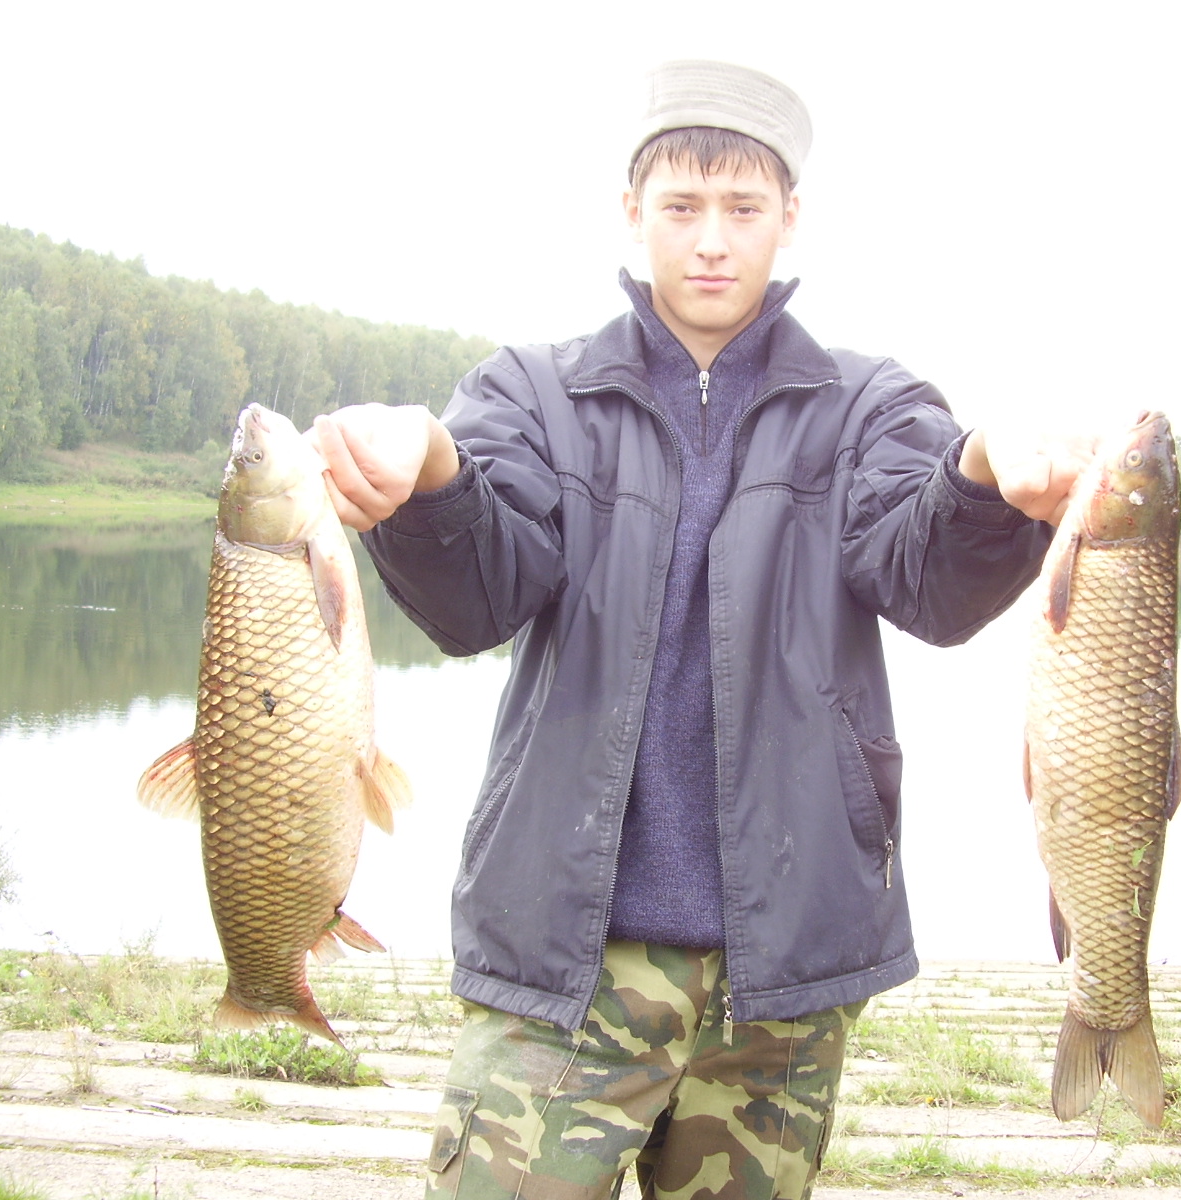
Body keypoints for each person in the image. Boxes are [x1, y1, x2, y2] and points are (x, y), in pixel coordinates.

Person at [313, 59, 1090, 1200]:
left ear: (790, 216)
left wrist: (980, 475)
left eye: (742, 208)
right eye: (681, 207)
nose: (712, 241)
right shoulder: (530, 395)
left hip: (780, 979)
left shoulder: (872, 405)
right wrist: (430, 474)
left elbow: (927, 582)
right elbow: (474, 602)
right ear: (632, 212)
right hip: (562, 960)